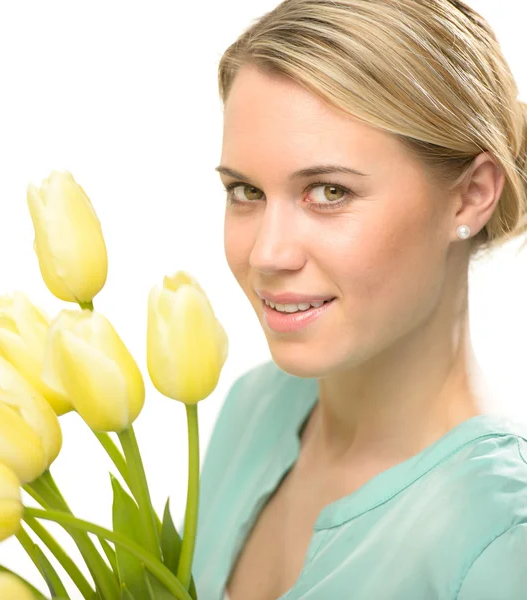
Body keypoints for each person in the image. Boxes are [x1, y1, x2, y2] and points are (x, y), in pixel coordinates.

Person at [189, 0, 527, 598]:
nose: (268, 253)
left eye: (328, 191)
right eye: (245, 190)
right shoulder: (252, 408)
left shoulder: (499, 537)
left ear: (471, 195)